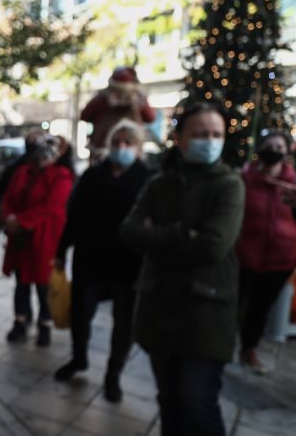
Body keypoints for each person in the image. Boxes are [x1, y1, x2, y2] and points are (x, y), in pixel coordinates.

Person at [120, 103, 243, 436]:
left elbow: (213, 246)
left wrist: (157, 238)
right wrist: (181, 233)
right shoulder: (159, 183)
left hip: (207, 313)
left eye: (216, 134)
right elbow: (130, 232)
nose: (209, 140)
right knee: (170, 401)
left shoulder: (229, 185)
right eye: (200, 134)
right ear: (179, 138)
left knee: (198, 403)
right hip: (160, 308)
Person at [54, 120, 153, 402]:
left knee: (124, 324)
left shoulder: (148, 178)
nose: (122, 147)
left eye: (128, 143)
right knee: (80, 314)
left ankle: (113, 375)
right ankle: (79, 358)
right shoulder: (92, 176)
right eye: (117, 142)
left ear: (138, 147)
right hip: (90, 259)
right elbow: (74, 217)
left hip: (128, 263)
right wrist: (62, 250)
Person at [0, 135, 74, 346]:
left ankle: (45, 324)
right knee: (21, 282)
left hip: (45, 239)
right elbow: (10, 199)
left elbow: (53, 207)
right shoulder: (23, 172)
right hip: (21, 239)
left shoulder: (61, 176)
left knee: (44, 286)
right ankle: (20, 321)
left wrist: (20, 221)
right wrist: (10, 218)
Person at [235, 130, 296, 374]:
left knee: (260, 308)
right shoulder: (245, 179)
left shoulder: (293, 183)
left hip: (280, 259)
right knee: (235, 302)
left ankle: (249, 348)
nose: (274, 151)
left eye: (279, 147)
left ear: (288, 151)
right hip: (245, 255)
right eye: (269, 146)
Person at [80, 67, 156, 161]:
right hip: (102, 151)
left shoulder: (138, 100)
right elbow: (84, 116)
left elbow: (151, 118)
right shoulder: (102, 99)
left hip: (132, 152)